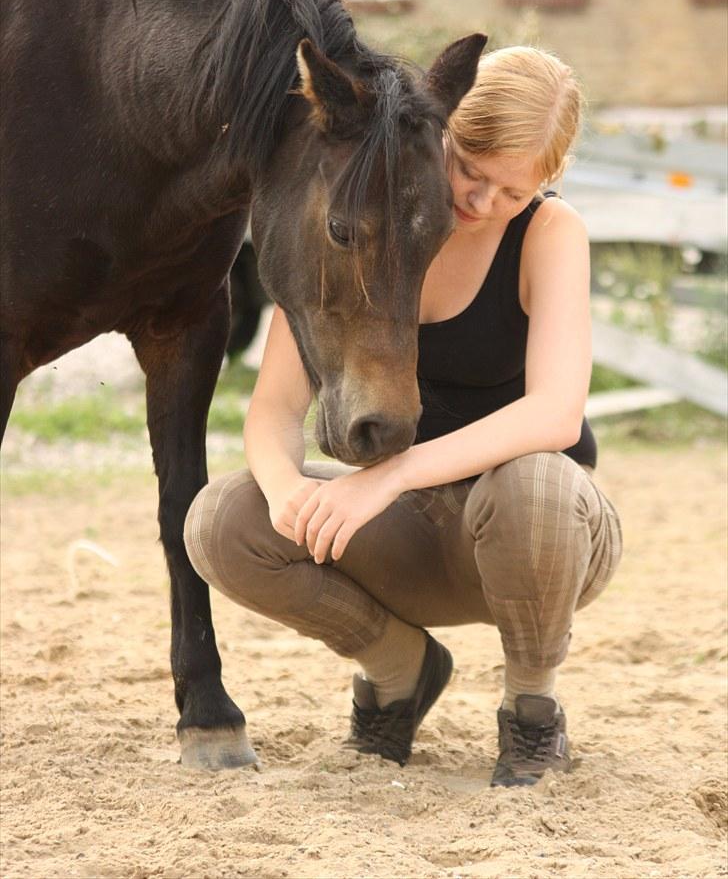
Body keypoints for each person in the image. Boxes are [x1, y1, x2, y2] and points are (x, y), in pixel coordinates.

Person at [184, 45, 622, 787]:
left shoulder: (550, 234)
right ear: (439, 133)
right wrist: (291, 495)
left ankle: (532, 711)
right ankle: (398, 670)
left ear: (545, 184)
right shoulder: (353, 222)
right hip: (406, 543)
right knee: (222, 520)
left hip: (541, 541)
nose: (482, 202)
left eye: (512, 192)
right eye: (471, 171)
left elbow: (555, 414)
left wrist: (385, 479)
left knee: (535, 482)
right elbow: (274, 413)